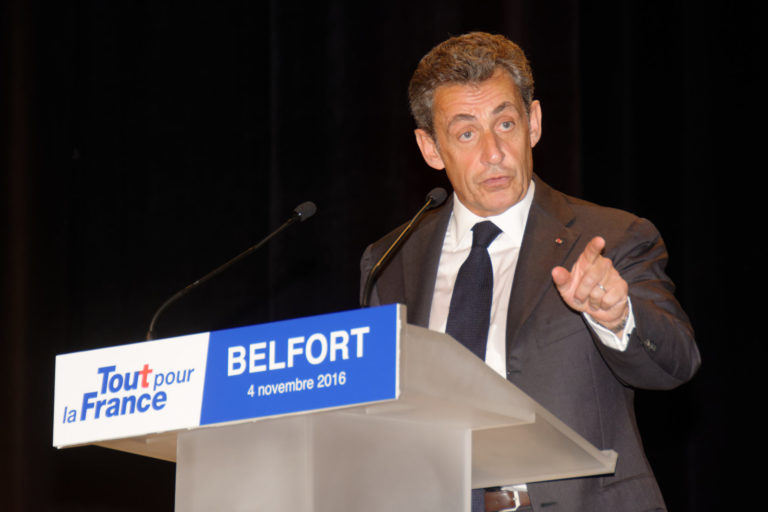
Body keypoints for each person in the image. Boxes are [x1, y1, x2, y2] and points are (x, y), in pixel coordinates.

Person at [360, 32, 700, 511]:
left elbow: (675, 363)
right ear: (430, 148)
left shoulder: (610, 236)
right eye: (466, 134)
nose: (493, 152)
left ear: (533, 123)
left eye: (505, 124)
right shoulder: (390, 260)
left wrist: (618, 317)